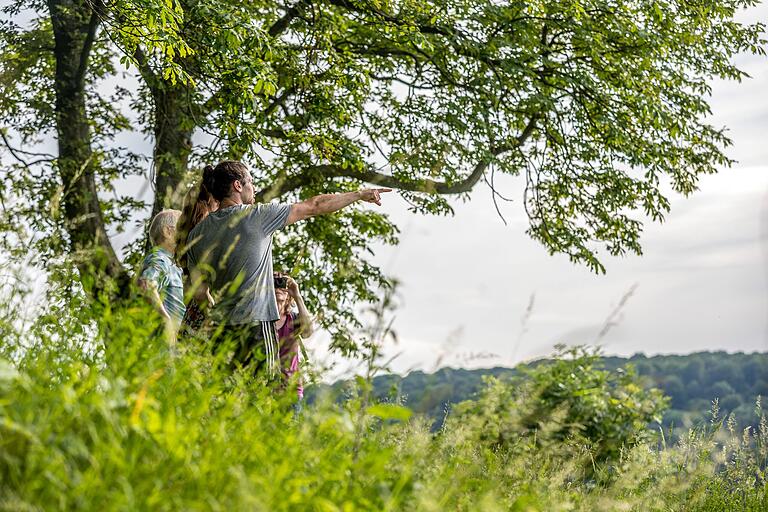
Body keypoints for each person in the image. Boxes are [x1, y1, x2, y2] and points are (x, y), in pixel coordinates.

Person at [185, 160, 389, 378]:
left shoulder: (197, 234)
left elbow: (198, 291)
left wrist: (218, 312)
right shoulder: (256, 216)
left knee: (226, 399)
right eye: (251, 182)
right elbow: (315, 206)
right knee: (260, 397)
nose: (254, 188)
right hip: (256, 327)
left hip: (222, 331)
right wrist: (358, 194)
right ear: (237, 186)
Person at [175, 175, 218, 339]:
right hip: (204, 316)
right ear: (211, 201)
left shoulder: (188, 233)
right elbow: (201, 292)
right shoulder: (204, 233)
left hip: (190, 315)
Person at [138, 209, 186, 329]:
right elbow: (146, 285)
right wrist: (166, 321)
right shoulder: (161, 259)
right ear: (167, 231)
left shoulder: (170, 263)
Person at [274, 272, 313, 400]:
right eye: (274, 282)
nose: (279, 286)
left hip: (291, 391)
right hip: (264, 390)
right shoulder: (261, 320)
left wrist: (297, 295)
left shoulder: (293, 319)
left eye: (282, 283)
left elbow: (307, 332)